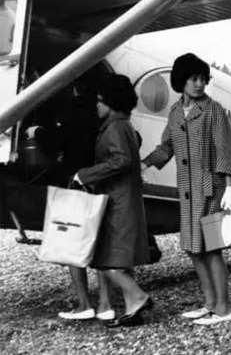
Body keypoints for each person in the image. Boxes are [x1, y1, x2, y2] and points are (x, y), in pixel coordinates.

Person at [142, 53, 231, 326]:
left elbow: (225, 150)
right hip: (187, 190)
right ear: (181, 81)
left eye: (203, 79)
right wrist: (146, 164)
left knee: (211, 249)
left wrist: (230, 187)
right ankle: (210, 303)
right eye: (193, 78)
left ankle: (223, 308)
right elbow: (167, 146)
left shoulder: (213, 110)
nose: (199, 84)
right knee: (193, 248)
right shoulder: (175, 112)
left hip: (211, 189)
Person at [74, 74, 152, 328]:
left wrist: (84, 175)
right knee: (121, 260)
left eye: (99, 100)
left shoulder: (115, 127)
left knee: (107, 261)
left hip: (119, 202)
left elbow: (121, 160)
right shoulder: (124, 125)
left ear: (110, 101)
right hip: (125, 199)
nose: (96, 105)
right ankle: (132, 310)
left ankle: (139, 296)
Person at [56, 78, 114, 322]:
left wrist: (36, 131)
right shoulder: (103, 117)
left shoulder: (73, 110)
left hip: (75, 183)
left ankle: (84, 304)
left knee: (72, 242)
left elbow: (56, 140)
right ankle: (105, 303)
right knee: (101, 244)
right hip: (100, 184)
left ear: (74, 87)